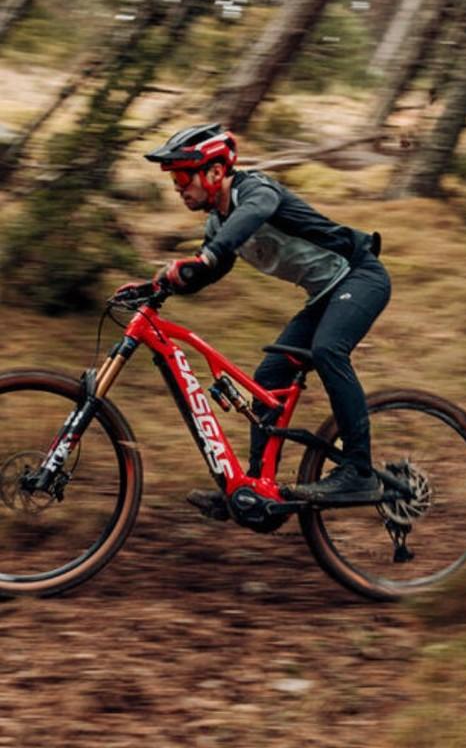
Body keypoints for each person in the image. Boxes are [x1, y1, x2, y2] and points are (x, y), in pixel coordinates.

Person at [144, 122, 390, 518]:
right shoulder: (218, 223)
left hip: (361, 276)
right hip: (326, 295)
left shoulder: (255, 191)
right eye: (173, 178)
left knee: (329, 350)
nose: (177, 186)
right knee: (267, 382)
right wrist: (153, 287)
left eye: (182, 176)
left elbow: (254, 214)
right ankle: (258, 490)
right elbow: (207, 272)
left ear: (216, 172)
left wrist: (206, 256)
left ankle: (359, 469)